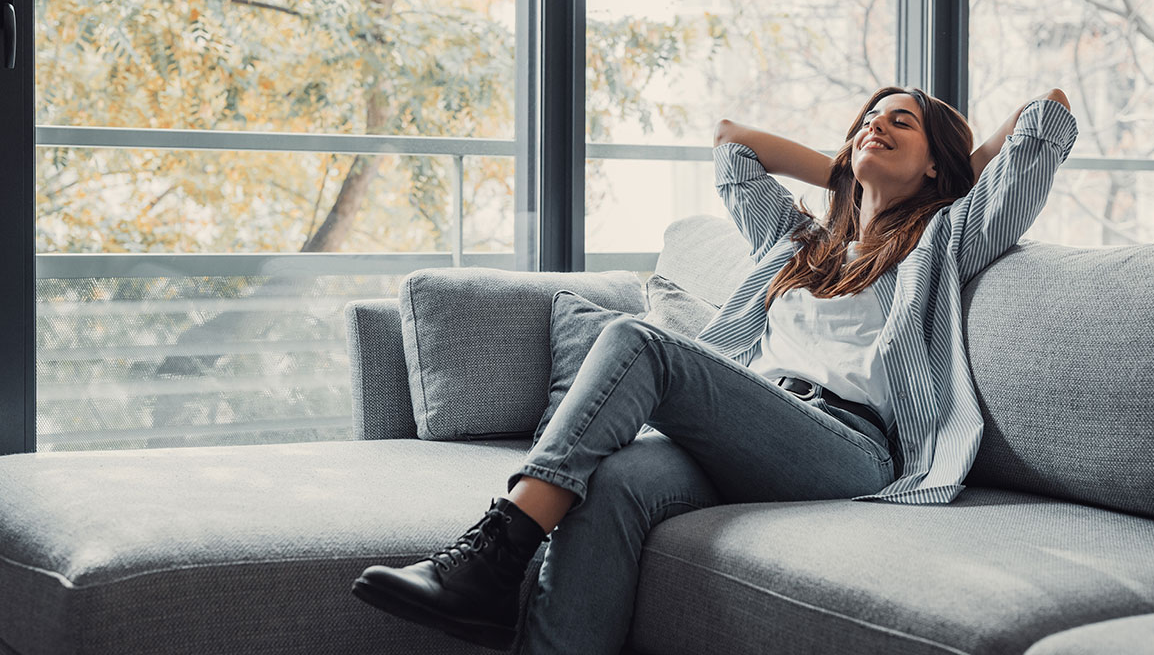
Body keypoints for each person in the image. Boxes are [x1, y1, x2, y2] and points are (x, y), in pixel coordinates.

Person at [351, 85, 1078, 654]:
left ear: (935, 164)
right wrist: (846, 171)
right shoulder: (796, 242)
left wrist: (957, 173)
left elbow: (1048, 115)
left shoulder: (946, 238)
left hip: (848, 448)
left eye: (900, 123)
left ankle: (493, 553)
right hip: (752, 426)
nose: (874, 127)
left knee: (641, 341)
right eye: (866, 119)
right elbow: (732, 144)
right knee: (614, 481)